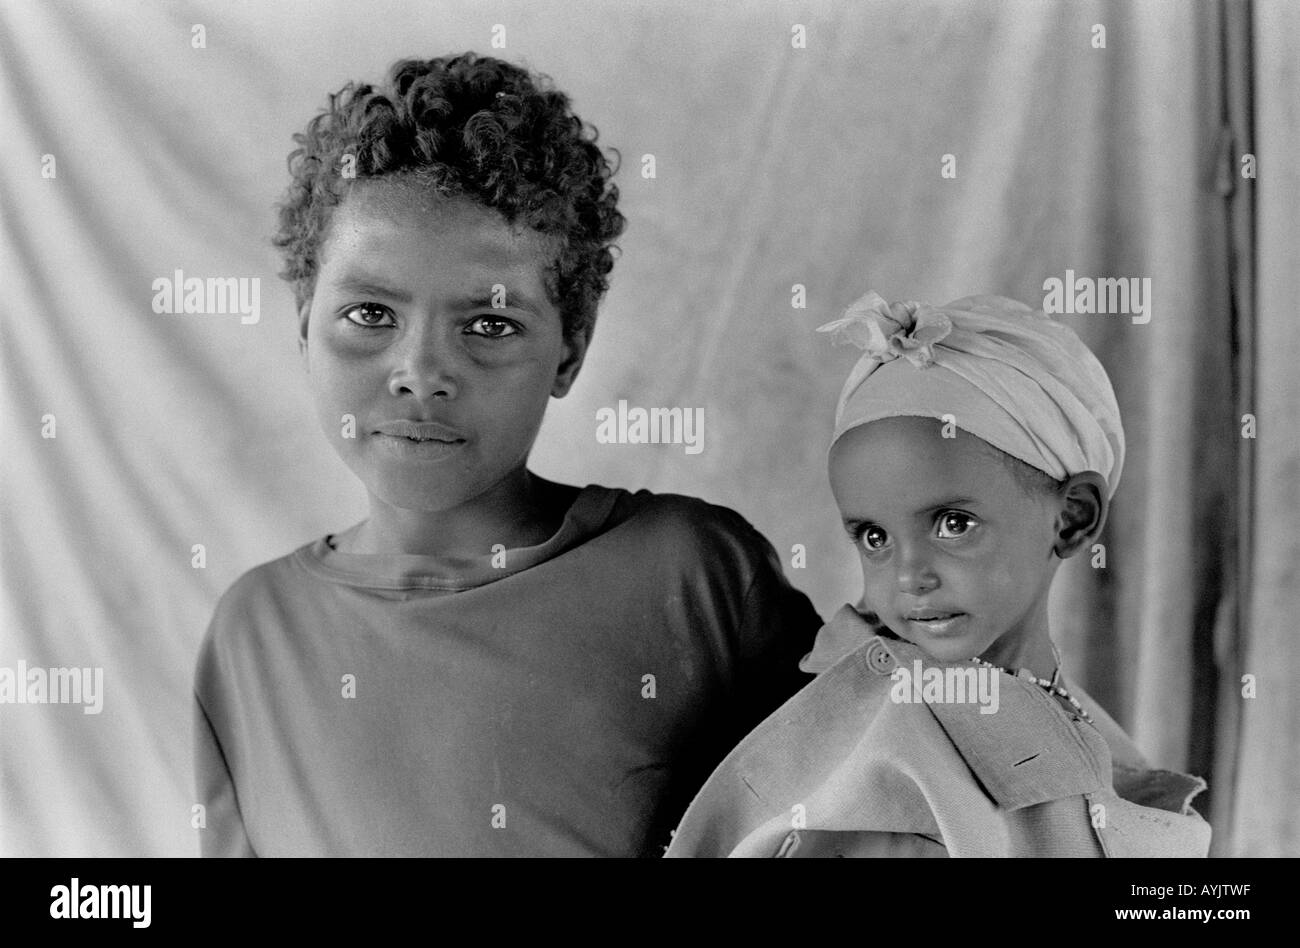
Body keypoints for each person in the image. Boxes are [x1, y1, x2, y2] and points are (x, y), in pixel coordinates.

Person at [192, 53, 820, 857]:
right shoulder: (253, 633)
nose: (420, 373)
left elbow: (856, 811)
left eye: (489, 325)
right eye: (371, 313)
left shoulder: (693, 576)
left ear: (570, 352)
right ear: (305, 323)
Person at [665, 290, 1211, 857]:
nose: (909, 576)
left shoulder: (1064, 713)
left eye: (953, 524)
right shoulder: (878, 762)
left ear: (1073, 518)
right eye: (874, 537)